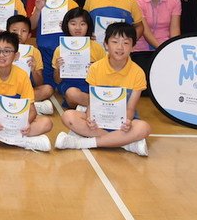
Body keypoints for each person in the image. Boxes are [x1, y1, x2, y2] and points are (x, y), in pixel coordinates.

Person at [55, 22, 150, 156]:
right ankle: (125, 143)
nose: (120, 47)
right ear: (106, 44)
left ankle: (84, 143)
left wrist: (127, 122)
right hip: (99, 121)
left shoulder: (138, 73)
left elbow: (130, 108)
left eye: (126, 43)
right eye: (115, 42)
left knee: (144, 128)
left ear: (133, 47)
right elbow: (92, 102)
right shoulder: (95, 68)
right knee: (68, 116)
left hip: (123, 123)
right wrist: (90, 118)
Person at [28, 0, 78, 89]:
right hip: (44, 51)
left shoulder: (73, 5)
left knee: (62, 86)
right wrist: (38, 9)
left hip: (63, 52)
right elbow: (32, 26)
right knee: (46, 85)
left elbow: (78, 32)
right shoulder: (42, 1)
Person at [52, 8, 106, 108]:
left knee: (72, 99)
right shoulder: (60, 49)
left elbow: (104, 76)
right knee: (71, 93)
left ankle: (85, 106)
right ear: (66, 25)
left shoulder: (97, 47)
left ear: (88, 26)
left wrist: (95, 69)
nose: (78, 28)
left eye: (82, 24)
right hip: (69, 85)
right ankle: (99, 106)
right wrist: (58, 69)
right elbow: (57, 80)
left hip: (91, 85)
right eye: (73, 24)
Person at [133, 0, 181, 73]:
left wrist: (172, 48)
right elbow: (145, 31)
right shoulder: (137, 1)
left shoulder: (174, 0)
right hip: (142, 50)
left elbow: (175, 29)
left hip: (167, 48)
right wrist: (161, 49)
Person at [5, 14, 56, 114]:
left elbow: (39, 83)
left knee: (48, 89)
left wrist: (33, 70)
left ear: (29, 35)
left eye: (24, 31)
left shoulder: (34, 52)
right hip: (5, 88)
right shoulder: (2, 49)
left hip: (26, 90)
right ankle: (33, 106)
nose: (19, 34)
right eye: (14, 30)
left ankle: (17, 104)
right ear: (7, 32)